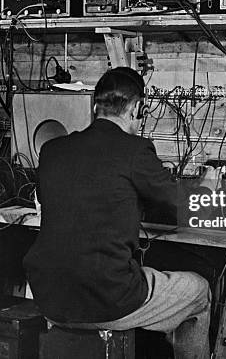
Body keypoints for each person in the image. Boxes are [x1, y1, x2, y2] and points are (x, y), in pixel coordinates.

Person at [24, 67, 212, 359]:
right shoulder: (135, 150)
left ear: (95, 106)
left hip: (50, 296)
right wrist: (208, 187)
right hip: (105, 297)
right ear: (136, 109)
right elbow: (182, 204)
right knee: (199, 292)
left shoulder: (52, 150)